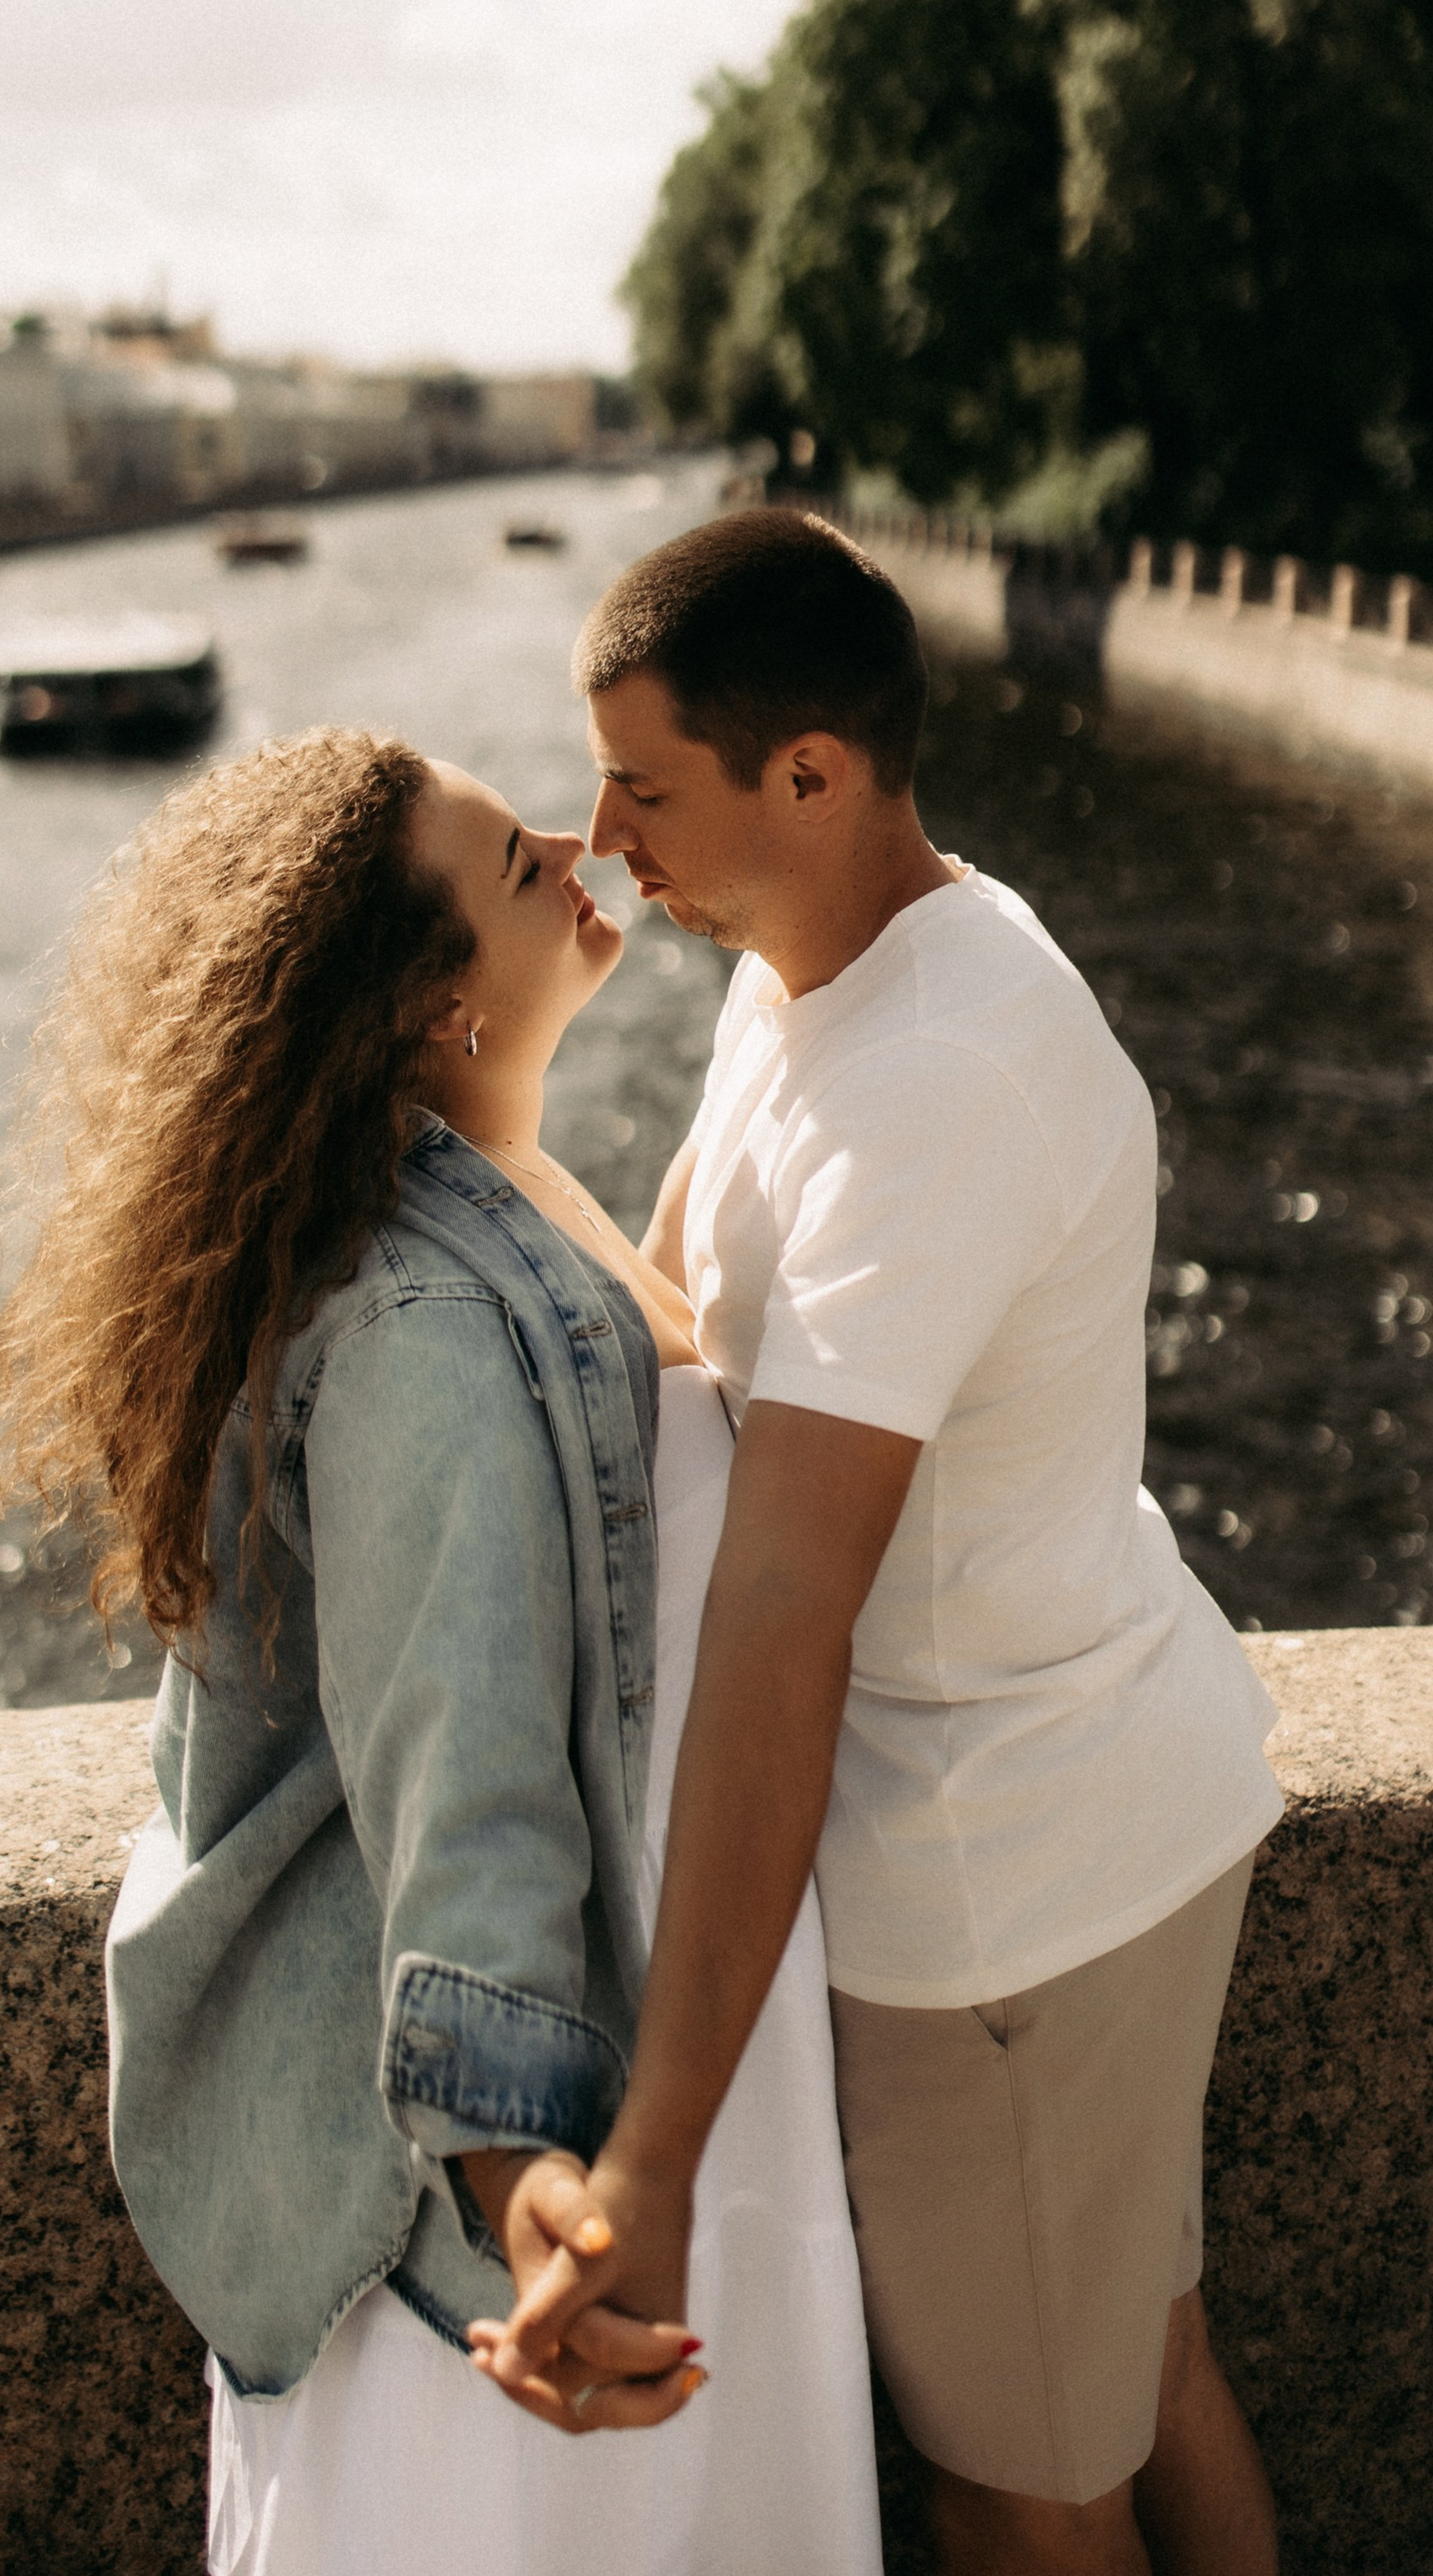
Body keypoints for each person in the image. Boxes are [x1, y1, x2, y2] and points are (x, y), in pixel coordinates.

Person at [471, 510, 1286, 2576]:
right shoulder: (824, 965)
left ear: (808, 772)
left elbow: (782, 1611)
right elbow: (682, 1325)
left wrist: (647, 2157)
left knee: (1023, 2486)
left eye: (641, 789)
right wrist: (481, 1126)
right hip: (1076, 1805)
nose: (599, 838)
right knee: (1132, 2365)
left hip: (1004, 1893)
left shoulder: (924, 1077)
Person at [0, 722, 881, 2576]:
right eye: (510, 865)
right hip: (520, 2185)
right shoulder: (427, 1325)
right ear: (426, 1007)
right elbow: (447, 1756)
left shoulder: (502, 1210)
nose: (571, 843)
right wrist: (517, 2173)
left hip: (656, 2046)